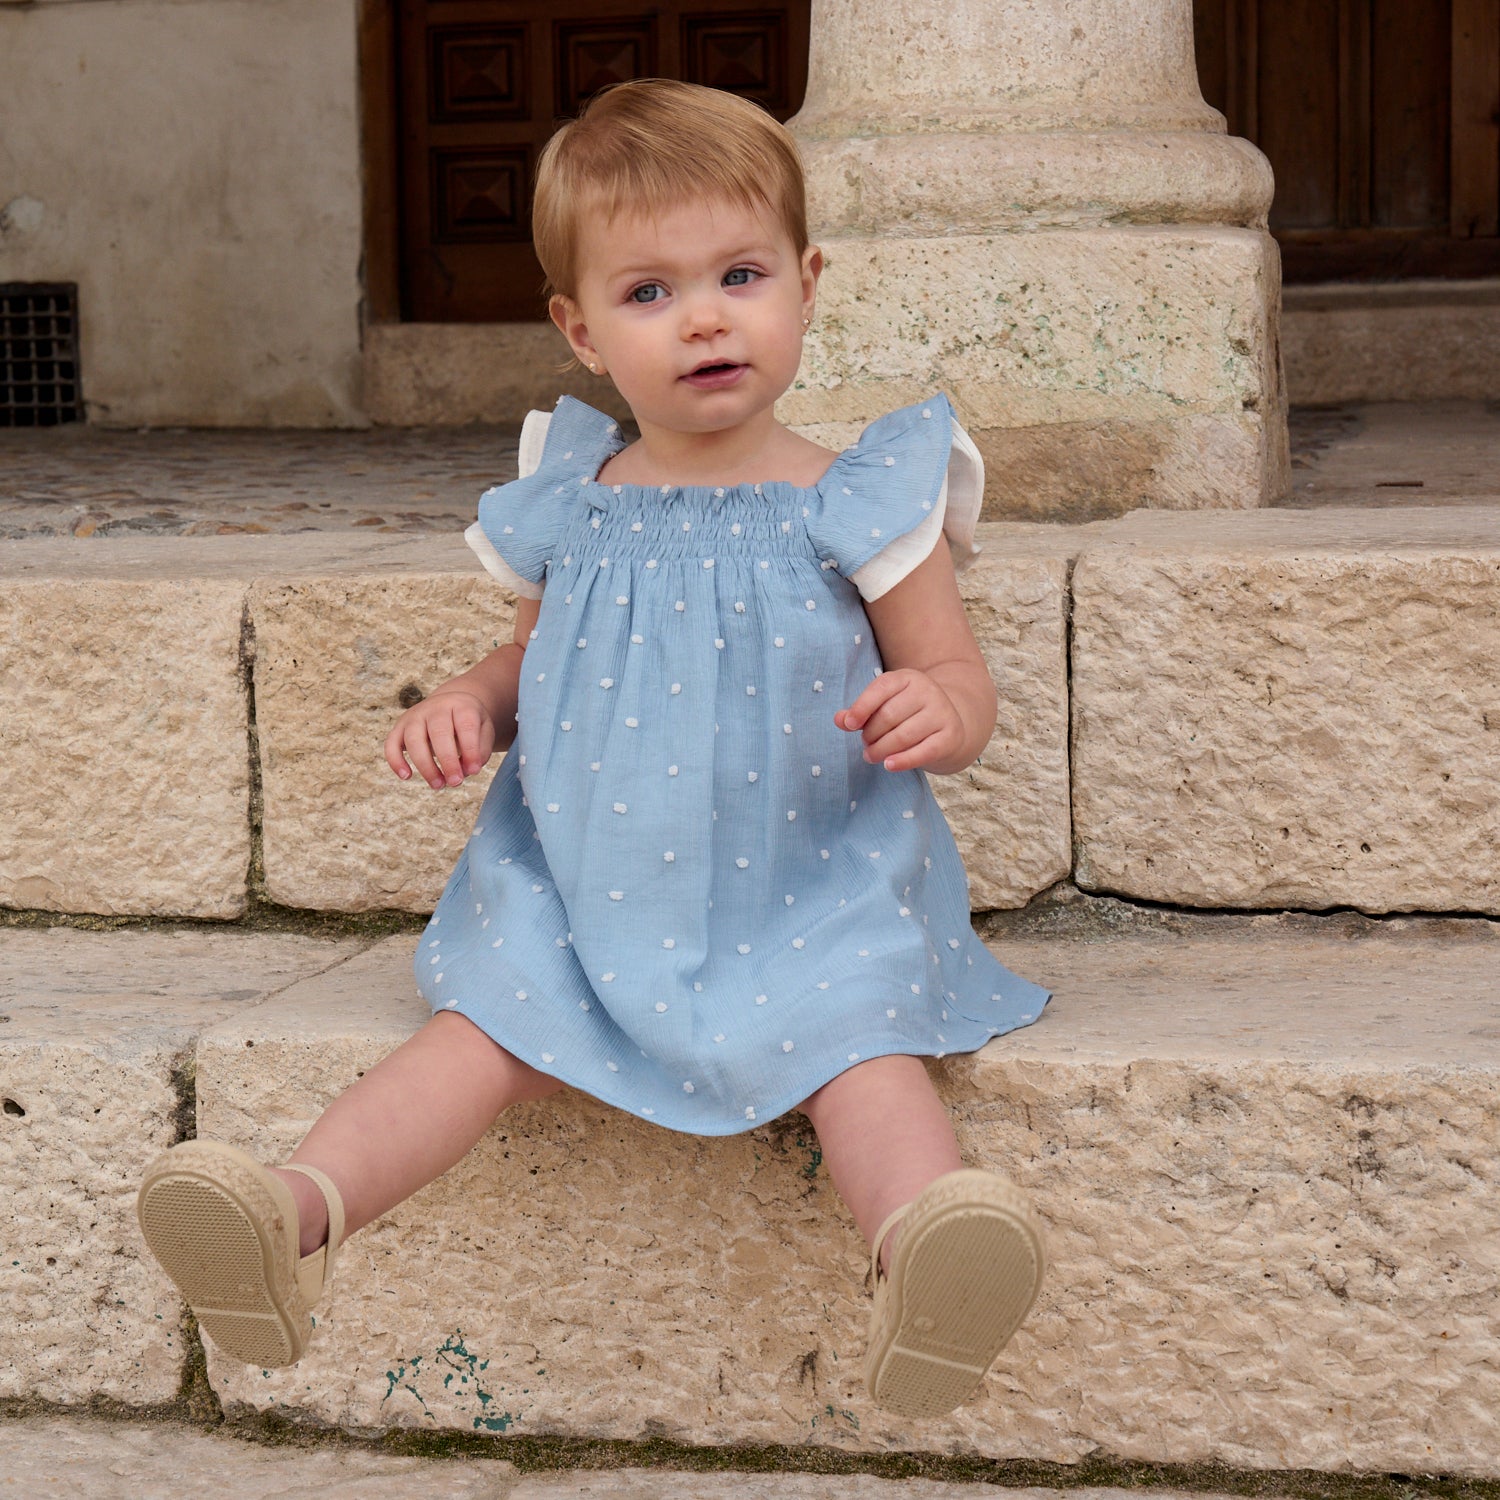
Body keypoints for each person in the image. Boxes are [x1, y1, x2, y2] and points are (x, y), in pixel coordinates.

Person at [137, 79, 1050, 1421]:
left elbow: (957, 677)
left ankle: (927, 1260)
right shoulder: (577, 499)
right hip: (584, 887)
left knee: (859, 1045)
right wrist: (469, 700)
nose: (702, 318)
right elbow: (530, 662)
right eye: (648, 293)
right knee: (477, 1030)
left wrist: (941, 713)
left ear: (805, 280)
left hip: (815, 882)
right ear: (578, 329)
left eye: (739, 274)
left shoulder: (861, 496)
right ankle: (289, 1219)